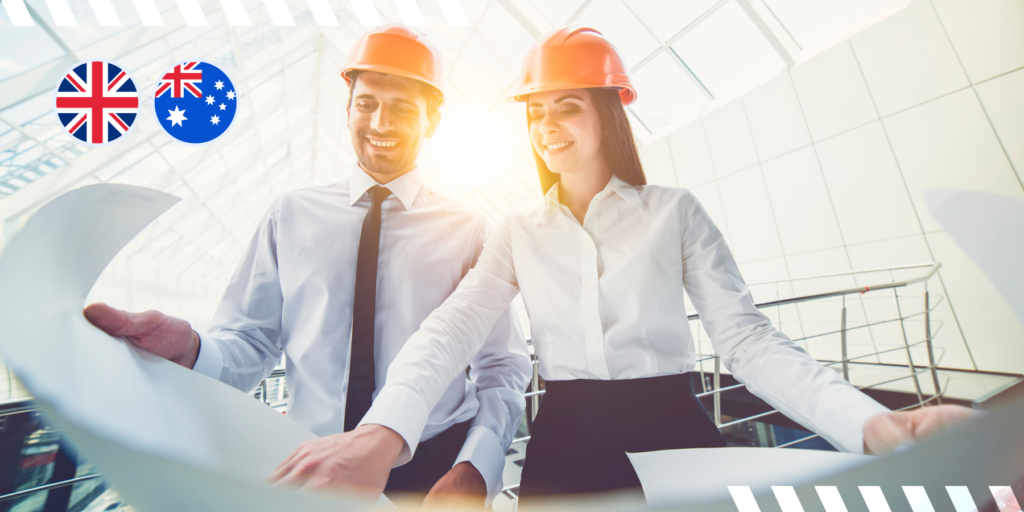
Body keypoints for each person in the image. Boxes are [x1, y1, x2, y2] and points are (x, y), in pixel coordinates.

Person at [266, 27, 977, 503]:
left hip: (673, 423)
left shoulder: (675, 212)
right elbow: (447, 333)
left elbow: (749, 341)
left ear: (606, 114)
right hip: (566, 437)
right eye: (535, 113)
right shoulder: (517, 231)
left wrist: (875, 426)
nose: (546, 129)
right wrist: (380, 435)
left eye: (565, 108)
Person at [82, 25, 531, 508]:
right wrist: (190, 347)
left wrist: (476, 466)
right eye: (367, 104)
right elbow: (251, 343)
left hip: (432, 469)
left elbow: (502, 364)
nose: (379, 122)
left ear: (433, 119)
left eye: (401, 107)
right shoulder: (290, 215)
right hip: (313, 468)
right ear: (347, 109)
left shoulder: (469, 229)